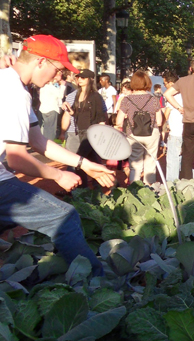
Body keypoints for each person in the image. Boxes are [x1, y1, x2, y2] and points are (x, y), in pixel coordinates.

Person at [0, 35, 114, 274]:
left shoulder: (11, 83)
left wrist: (84, 164)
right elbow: (17, 158)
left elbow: (38, 141)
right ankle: (95, 282)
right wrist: (58, 175)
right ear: (41, 61)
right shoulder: (14, 91)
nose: (58, 77)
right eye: (58, 69)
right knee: (64, 217)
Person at [115, 70, 163, 184]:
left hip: (133, 134)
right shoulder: (154, 99)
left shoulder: (126, 100)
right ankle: (150, 189)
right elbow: (160, 122)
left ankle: (135, 189)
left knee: (135, 165)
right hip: (151, 133)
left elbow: (118, 122)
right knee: (150, 163)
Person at [62, 69, 107, 161]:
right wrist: (69, 110)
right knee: (90, 160)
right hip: (80, 131)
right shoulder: (76, 94)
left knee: (79, 159)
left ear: (90, 79)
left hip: (91, 132)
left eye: (83, 77)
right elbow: (77, 114)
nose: (79, 79)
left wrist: (102, 133)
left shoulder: (95, 96)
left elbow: (101, 116)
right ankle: (101, 170)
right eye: (78, 77)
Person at [162, 71, 184, 182]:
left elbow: (166, 115)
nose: (164, 86)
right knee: (181, 162)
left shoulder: (172, 96)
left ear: (171, 83)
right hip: (185, 130)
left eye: (165, 83)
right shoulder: (184, 93)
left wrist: (161, 127)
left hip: (175, 132)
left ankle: (170, 186)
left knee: (172, 161)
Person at [39, 70, 66, 141]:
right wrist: (62, 86)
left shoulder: (44, 86)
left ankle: (45, 143)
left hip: (43, 109)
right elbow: (60, 95)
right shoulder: (50, 86)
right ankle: (49, 143)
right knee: (51, 130)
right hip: (51, 109)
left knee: (46, 129)